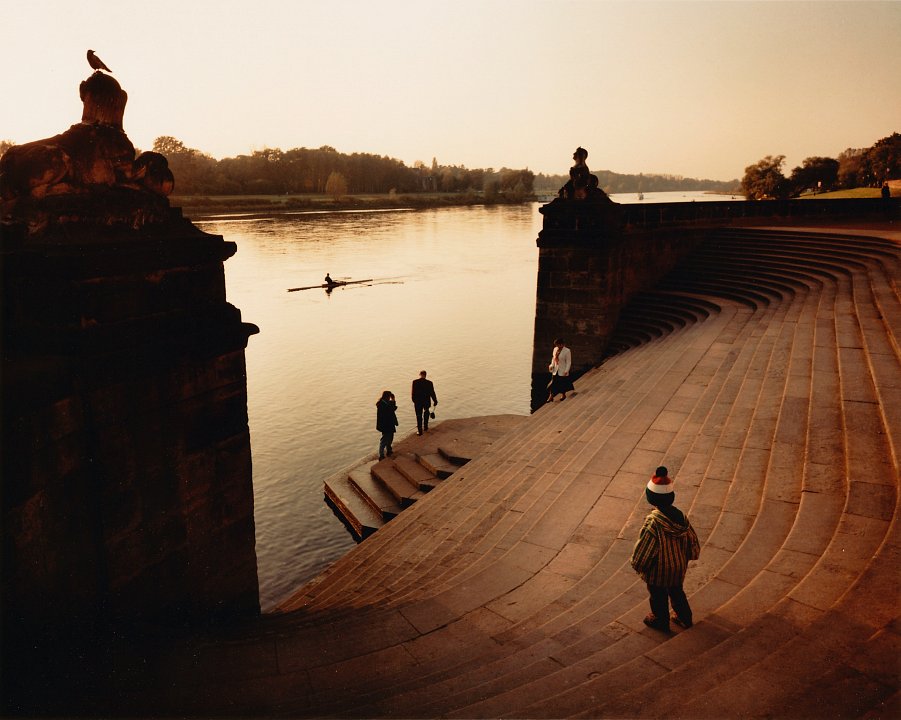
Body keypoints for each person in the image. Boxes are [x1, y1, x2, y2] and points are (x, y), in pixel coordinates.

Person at [630, 466, 700, 633]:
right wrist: (691, 554)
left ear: (651, 498)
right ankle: (684, 617)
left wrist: (637, 563)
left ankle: (660, 620)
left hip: (658, 571)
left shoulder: (653, 522)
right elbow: (692, 540)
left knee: (658, 596)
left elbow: (645, 548)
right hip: (678, 567)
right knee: (677, 592)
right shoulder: (681, 517)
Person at [411, 370, 438, 435]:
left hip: (418, 402)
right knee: (426, 412)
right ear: (425, 375)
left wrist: (414, 401)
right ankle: (425, 426)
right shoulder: (429, 383)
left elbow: (413, 393)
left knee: (418, 415)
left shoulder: (415, 382)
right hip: (426, 401)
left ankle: (420, 431)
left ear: (420, 374)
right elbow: (432, 393)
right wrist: (435, 400)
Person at [547, 338, 573, 402]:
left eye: (558, 345)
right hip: (555, 369)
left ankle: (563, 394)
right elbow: (553, 358)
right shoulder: (555, 349)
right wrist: (551, 365)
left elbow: (568, 362)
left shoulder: (567, 351)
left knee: (562, 383)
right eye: (556, 345)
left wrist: (566, 370)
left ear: (562, 344)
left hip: (562, 369)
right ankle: (551, 396)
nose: (557, 346)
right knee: (553, 383)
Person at [375, 390, 398, 460]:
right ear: (386, 397)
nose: (389, 398)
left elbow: (393, 408)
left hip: (390, 423)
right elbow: (392, 409)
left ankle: (389, 450)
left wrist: (393, 400)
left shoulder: (386, 403)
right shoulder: (381, 405)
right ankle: (381, 455)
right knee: (384, 439)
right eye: (389, 397)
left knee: (390, 438)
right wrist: (393, 401)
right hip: (385, 425)